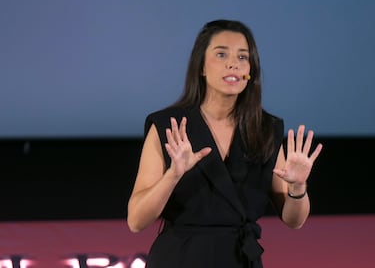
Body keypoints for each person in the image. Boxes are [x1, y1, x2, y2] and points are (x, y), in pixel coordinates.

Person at [127, 19, 323, 268]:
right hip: (180, 259)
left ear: (250, 71)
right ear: (202, 67)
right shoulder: (169, 125)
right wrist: (173, 175)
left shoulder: (265, 129)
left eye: (243, 57)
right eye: (221, 54)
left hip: (240, 260)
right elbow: (136, 221)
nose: (233, 63)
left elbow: (294, 220)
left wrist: (298, 186)